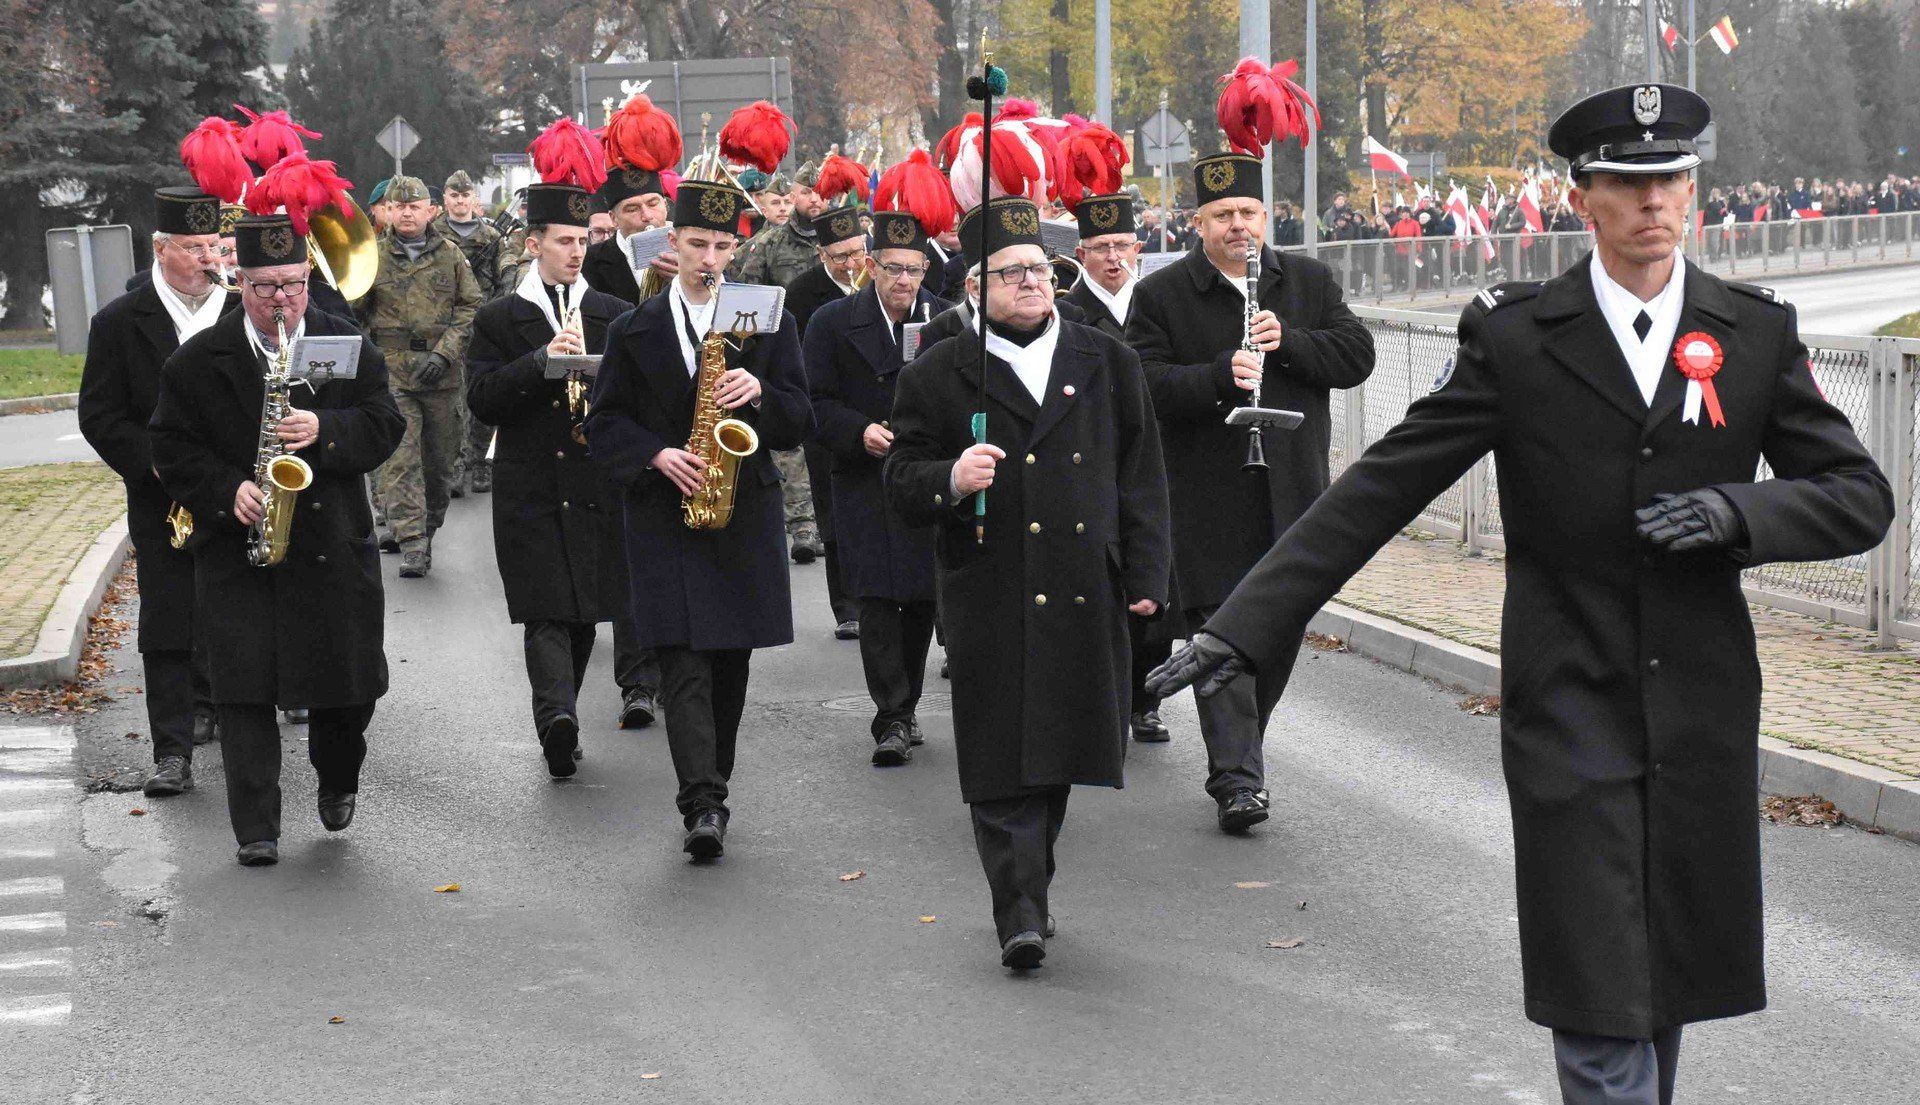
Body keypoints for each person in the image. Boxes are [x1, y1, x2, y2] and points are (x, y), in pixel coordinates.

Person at [1148, 84, 1895, 1105]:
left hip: (1701, 706)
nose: (1652, 203)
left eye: (1670, 180)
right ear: (1582, 199)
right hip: (1567, 697)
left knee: (1666, 973)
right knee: (1598, 983)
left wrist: (1740, 514)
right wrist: (1242, 626)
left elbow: (1860, 496)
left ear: (1695, 193)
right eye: (1627, 184)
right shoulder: (1517, 336)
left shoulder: (1753, 332)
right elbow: (1377, 488)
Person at [884, 196, 1171, 969]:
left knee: (1061, 748)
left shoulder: (1105, 360)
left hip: (1085, 583)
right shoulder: (940, 370)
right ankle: (1019, 908)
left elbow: (1141, 475)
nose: (1031, 284)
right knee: (1000, 752)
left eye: (1040, 270)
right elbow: (901, 478)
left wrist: (1147, 574)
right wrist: (950, 474)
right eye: (1011, 274)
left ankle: (1031, 881)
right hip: (990, 585)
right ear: (974, 289)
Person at [1126, 150, 1375, 834]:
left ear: (1265, 217)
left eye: (1249, 213)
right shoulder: (1162, 295)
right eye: (1224, 215)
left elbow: (1357, 356)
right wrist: (1214, 376)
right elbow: (1141, 384)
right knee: (1220, 631)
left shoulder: (1309, 281)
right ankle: (1237, 778)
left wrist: (1289, 341)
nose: (1239, 225)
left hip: (1291, 491)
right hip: (1207, 497)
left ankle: (1242, 747)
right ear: (1197, 223)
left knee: (1277, 632)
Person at [148, 214, 405, 866]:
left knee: (347, 692)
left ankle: (338, 775)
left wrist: (324, 427)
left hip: (329, 546)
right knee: (243, 691)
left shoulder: (345, 344)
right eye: (264, 287)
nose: (280, 301)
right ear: (241, 281)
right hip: (239, 551)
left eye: (292, 284)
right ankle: (256, 827)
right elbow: (169, 445)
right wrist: (223, 488)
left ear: (307, 277)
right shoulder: (197, 361)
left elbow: (385, 423)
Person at [585, 176, 813, 860]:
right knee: (682, 660)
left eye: (721, 246)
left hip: (741, 509)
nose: (710, 258)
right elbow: (604, 426)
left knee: (729, 662)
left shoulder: (767, 317)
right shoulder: (634, 327)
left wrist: (762, 391)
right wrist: (655, 454)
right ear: (673, 245)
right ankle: (702, 803)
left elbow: (801, 418)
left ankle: (715, 778)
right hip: (665, 515)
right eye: (697, 244)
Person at [467, 179, 660, 774]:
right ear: (533, 244)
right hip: (530, 481)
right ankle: (557, 718)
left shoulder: (612, 312)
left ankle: (564, 713)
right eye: (563, 241)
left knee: (584, 611)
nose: (576, 252)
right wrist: (541, 362)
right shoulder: (500, 317)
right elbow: (481, 398)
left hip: (596, 483)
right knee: (544, 607)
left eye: (582, 240)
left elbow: (641, 395)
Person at [79, 186, 233, 799]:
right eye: (194, 248)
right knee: (168, 618)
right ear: (162, 250)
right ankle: (172, 752)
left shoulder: (240, 310)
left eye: (214, 246)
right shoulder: (120, 321)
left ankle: (228, 710)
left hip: (235, 491)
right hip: (160, 499)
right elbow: (100, 414)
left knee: (233, 612)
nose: (209, 259)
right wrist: (156, 468)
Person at [804, 209, 951, 766]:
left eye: (915, 270)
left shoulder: (944, 319)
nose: (905, 281)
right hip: (862, 476)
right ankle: (890, 713)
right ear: (870, 266)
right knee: (876, 598)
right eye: (893, 269)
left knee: (918, 596)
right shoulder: (832, 321)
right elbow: (812, 401)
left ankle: (905, 704)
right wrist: (855, 430)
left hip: (925, 475)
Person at [1058, 193, 1174, 742]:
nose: (1112, 258)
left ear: (1139, 247)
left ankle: (1145, 698)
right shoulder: (1068, 313)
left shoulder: (1157, 302)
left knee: (1153, 572)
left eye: (1122, 246)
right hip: (1095, 457)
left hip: (1158, 455)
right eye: (1100, 247)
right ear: (1081, 252)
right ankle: (1099, 691)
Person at [354, 175, 483, 578]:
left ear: (430, 210)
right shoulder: (369, 256)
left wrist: (445, 354)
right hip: (391, 371)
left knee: (439, 463)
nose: (407, 213)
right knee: (400, 458)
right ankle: (412, 542)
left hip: (440, 374)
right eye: (399, 206)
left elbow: (470, 307)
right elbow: (353, 313)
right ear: (388, 211)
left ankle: (427, 531)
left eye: (415, 206)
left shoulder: (451, 256)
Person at [435, 170, 506, 495]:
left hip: (483, 324)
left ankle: (480, 464)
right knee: (452, 399)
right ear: (445, 199)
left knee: (483, 394)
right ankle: (455, 467)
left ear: (473, 199)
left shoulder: (492, 236)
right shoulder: (434, 233)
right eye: (454, 195)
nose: (460, 201)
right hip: (446, 325)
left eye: (465, 195)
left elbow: (502, 278)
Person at [583, 166, 675, 304]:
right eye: (632, 209)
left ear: (666, 206)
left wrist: (687, 282)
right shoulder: (588, 262)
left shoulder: (692, 250)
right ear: (614, 219)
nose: (647, 216)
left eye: (653, 204)